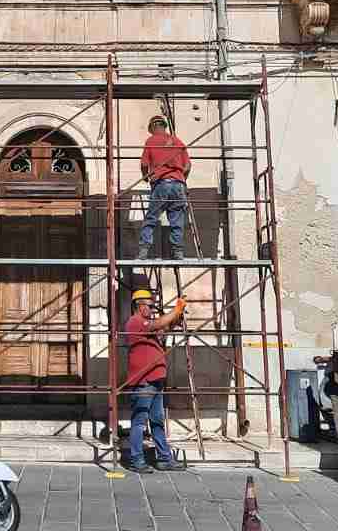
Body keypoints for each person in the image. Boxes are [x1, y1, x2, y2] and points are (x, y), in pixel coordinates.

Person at [123, 287, 187, 473]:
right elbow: (158, 324)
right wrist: (175, 310)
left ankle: (165, 458)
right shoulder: (135, 323)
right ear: (139, 306)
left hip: (156, 379)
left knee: (157, 420)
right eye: (149, 306)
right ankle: (136, 460)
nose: (151, 310)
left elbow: (163, 328)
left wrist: (177, 317)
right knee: (139, 422)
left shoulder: (148, 324)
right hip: (143, 381)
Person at [137, 114, 191, 262]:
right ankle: (178, 252)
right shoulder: (178, 141)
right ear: (164, 126)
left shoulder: (151, 140)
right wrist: (181, 179)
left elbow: (143, 164)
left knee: (151, 218)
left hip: (161, 183)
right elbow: (187, 166)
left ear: (153, 127)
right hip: (178, 184)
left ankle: (143, 251)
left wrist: (146, 177)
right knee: (176, 220)